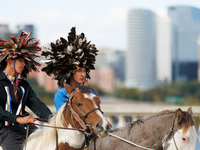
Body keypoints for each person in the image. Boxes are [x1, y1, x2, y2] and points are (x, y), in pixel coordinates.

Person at [0, 32, 52, 150]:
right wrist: (18, 119)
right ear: (9, 60)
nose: (23, 64)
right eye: (20, 60)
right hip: (5, 131)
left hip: (27, 128)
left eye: (25, 61)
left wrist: (54, 120)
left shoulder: (24, 85)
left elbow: (38, 106)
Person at [42, 27, 98, 112]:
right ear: (70, 73)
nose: (83, 74)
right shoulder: (61, 94)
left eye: (84, 71)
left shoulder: (89, 92)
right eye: (79, 71)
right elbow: (65, 118)